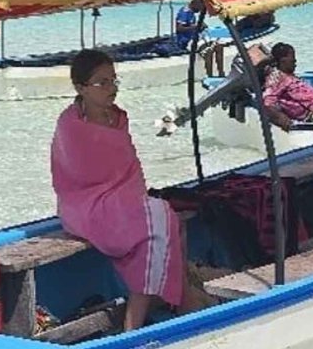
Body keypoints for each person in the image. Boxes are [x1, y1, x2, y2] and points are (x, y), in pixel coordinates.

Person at [51, 49, 213, 331]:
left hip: (121, 201)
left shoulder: (118, 118)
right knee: (160, 215)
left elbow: (129, 167)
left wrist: (130, 198)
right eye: (102, 83)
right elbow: (75, 176)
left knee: (164, 221)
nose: (111, 89)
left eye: (114, 81)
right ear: (80, 88)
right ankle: (146, 318)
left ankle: (164, 303)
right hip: (86, 206)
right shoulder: (71, 125)